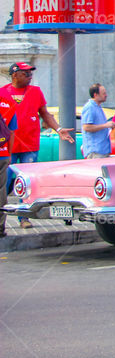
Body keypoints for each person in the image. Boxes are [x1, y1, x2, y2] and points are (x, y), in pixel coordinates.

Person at [0, 62, 74, 228]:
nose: (30, 76)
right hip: (7, 148)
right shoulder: (2, 93)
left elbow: (45, 114)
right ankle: (2, 219)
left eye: (30, 73)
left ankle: (23, 217)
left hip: (29, 145)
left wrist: (59, 129)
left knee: (26, 183)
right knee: (4, 184)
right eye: (26, 73)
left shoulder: (35, 92)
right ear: (14, 75)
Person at [81, 83, 114, 159]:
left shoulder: (98, 107)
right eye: (103, 93)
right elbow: (87, 127)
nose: (106, 95)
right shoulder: (89, 107)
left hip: (103, 150)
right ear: (96, 95)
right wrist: (106, 125)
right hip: (95, 151)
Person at [0, 91, 17, 237]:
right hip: (3, 153)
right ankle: (0, 228)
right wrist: (9, 153)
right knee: (1, 192)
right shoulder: (8, 105)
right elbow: (11, 132)